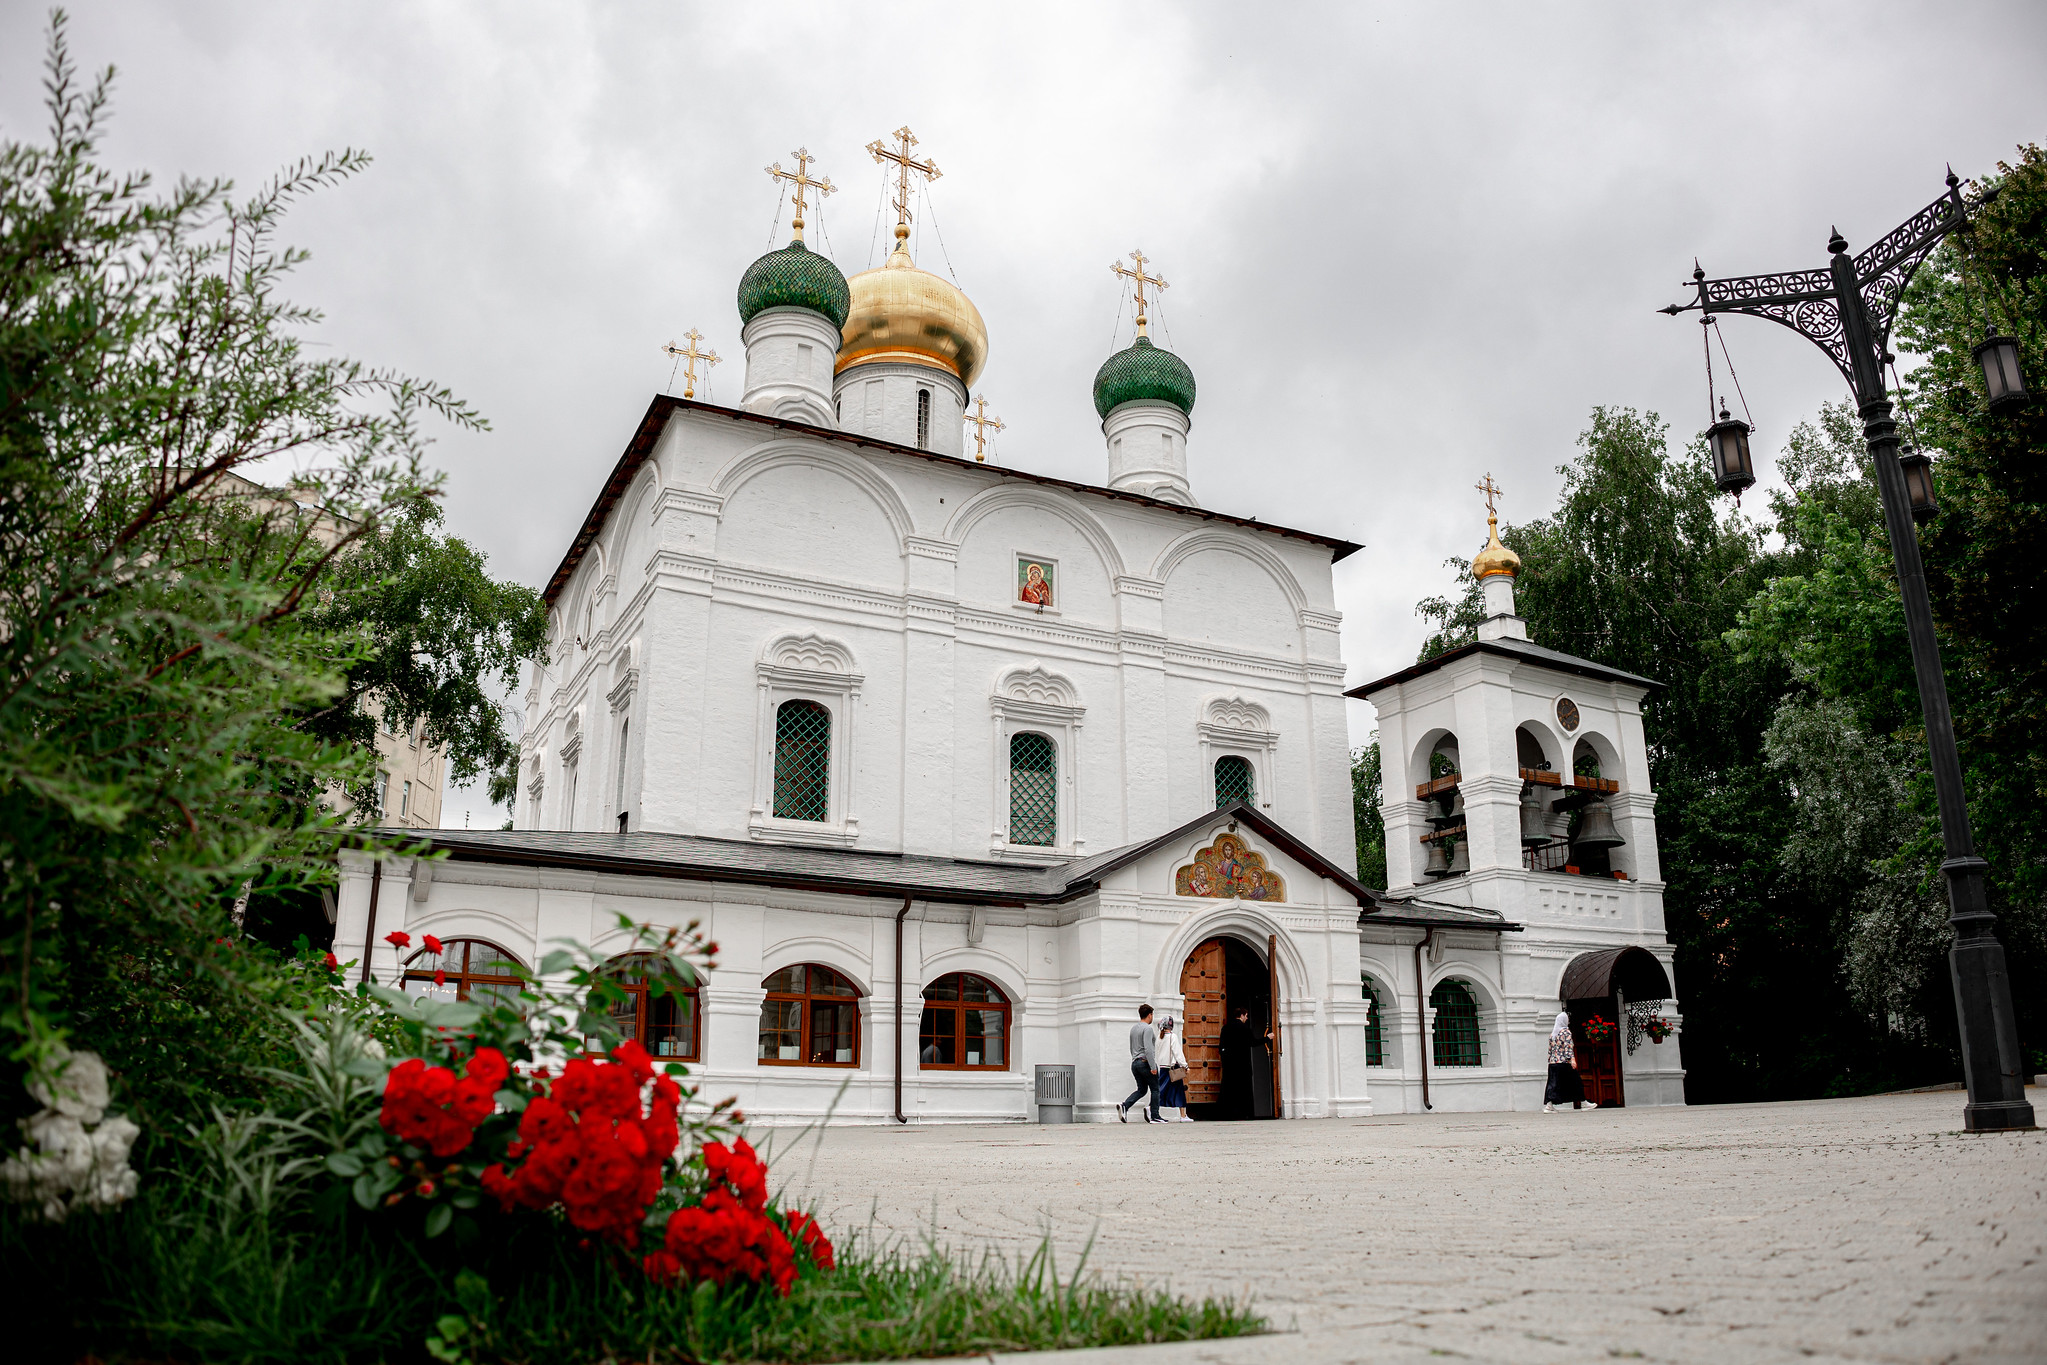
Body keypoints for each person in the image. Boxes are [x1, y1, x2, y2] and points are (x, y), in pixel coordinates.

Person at [1542, 1010, 1596, 1111]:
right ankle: (1584, 1103)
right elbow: (1568, 1047)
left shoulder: (1553, 1034)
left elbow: (1550, 1050)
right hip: (1564, 1063)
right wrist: (1572, 1059)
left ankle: (1549, 1106)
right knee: (1576, 1082)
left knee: (1553, 1084)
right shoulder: (1566, 1032)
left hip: (1553, 1063)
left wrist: (1551, 1060)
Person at [1118, 1003, 1161, 1123]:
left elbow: (1131, 1047)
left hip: (1135, 1063)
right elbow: (1148, 1049)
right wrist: (1153, 1066)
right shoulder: (1147, 1028)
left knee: (1142, 1090)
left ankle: (1125, 1106)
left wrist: (1135, 1059)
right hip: (1145, 1062)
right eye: (1152, 1015)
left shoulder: (1134, 1028)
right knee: (1155, 1089)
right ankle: (1155, 1115)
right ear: (1149, 1015)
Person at [1218, 1005, 1258, 1120]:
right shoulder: (1245, 1029)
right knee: (1243, 1089)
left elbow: (1221, 1047)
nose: (1247, 1018)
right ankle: (1243, 1113)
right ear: (1241, 1015)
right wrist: (1267, 1038)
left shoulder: (1225, 1028)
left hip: (1229, 1064)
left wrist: (1225, 1059)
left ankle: (1227, 1114)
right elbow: (1253, 1042)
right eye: (1246, 1016)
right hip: (1243, 1064)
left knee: (1229, 1089)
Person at [1155, 1015, 1191, 1121]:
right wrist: (1185, 1066)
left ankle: (1183, 1115)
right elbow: (1177, 1053)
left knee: (1164, 1090)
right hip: (1173, 1068)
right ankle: (1151, 1107)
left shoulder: (1159, 1037)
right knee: (1166, 1090)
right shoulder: (1172, 1036)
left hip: (1163, 1067)